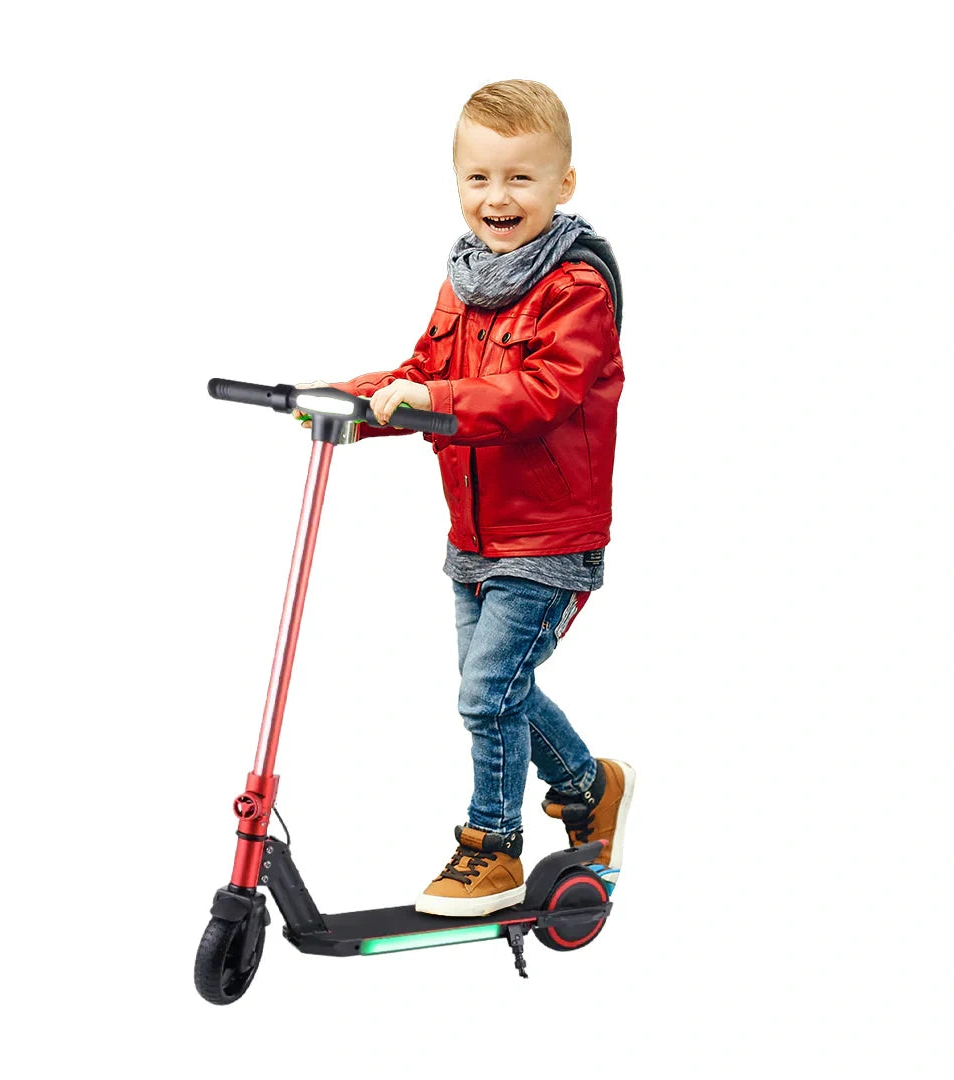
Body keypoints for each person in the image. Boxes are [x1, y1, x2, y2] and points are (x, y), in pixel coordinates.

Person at [300, 80, 635, 917]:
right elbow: (424, 378)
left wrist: (432, 403)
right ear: (457, 184)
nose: (498, 197)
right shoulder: (465, 281)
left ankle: (492, 850)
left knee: (488, 694)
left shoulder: (576, 286)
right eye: (479, 177)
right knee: (497, 690)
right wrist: (343, 398)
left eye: (521, 178)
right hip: (475, 533)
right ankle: (592, 787)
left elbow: (535, 397)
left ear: (564, 185)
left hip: (550, 538)